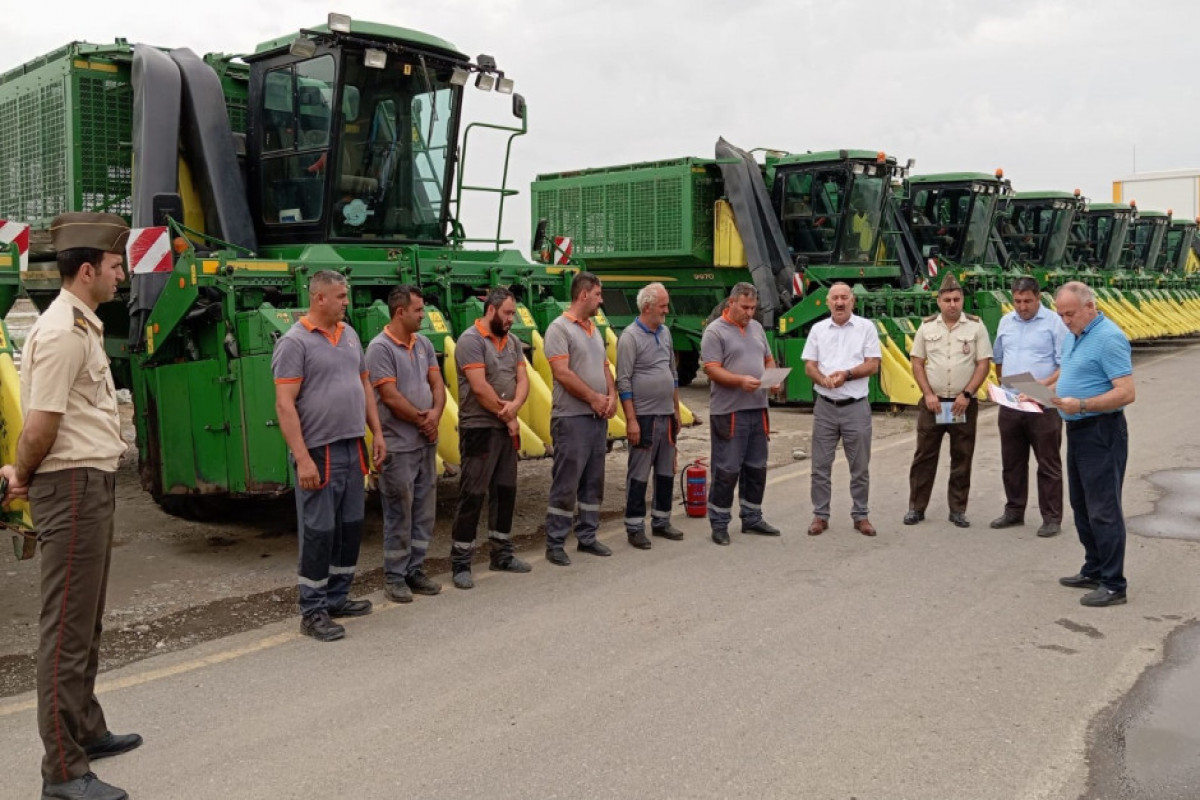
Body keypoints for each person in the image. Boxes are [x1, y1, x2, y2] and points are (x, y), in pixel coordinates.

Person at [0, 213, 139, 800]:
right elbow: (41, 426)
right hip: (71, 485)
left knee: (87, 622)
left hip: (91, 480)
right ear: (88, 271)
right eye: (114, 267)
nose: (122, 275)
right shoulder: (60, 332)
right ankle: (62, 770)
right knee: (65, 631)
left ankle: (86, 728)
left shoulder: (82, 325)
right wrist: (21, 476)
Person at [273, 270, 386, 642]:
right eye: (340, 296)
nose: (346, 302)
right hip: (318, 450)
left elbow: (364, 385)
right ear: (319, 298)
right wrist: (302, 458)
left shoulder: (350, 335)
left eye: (346, 295)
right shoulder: (295, 343)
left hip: (352, 445)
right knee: (319, 530)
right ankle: (313, 610)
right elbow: (285, 406)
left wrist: (377, 433)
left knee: (350, 525)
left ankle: (338, 596)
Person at [1050, 281, 1135, 607]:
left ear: (1090, 307)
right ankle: (1094, 567)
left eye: (1070, 314)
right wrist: (1041, 391)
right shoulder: (1076, 335)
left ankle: (1114, 584)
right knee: (1082, 504)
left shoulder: (1108, 338)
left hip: (1101, 430)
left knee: (1104, 509)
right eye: (1060, 315)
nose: (1065, 320)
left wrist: (1082, 405)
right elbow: (1070, 373)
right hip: (1077, 430)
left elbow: (1126, 392)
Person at [366, 285, 445, 603]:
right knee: (400, 512)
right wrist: (422, 420)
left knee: (424, 511)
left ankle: (415, 570)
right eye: (418, 310)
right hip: (399, 446)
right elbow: (390, 397)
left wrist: (436, 415)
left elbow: (437, 383)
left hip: (425, 442)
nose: (423, 315)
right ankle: (395, 576)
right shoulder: (380, 348)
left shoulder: (423, 343)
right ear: (400, 312)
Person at [449, 287, 532, 588]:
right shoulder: (470, 341)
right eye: (507, 313)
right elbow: (480, 388)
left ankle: (502, 553)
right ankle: (460, 561)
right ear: (491, 310)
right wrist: (509, 416)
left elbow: (523, 379)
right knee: (473, 493)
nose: (512, 319)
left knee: (506, 489)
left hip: (505, 426)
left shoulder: (511, 343)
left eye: (513, 313)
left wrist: (515, 408)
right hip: (479, 428)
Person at [905, 271, 993, 528]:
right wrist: (928, 394)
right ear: (939, 302)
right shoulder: (926, 326)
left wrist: (966, 394)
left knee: (962, 456)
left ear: (962, 300)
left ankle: (957, 510)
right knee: (924, 457)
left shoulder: (976, 326)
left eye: (956, 299)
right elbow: (917, 363)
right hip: (933, 404)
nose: (952, 304)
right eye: (947, 300)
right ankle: (916, 508)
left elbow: (983, 364)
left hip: (961, 403)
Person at [543, 271, 618, 565]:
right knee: (566, 480)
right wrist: (594, 398)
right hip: (571, 417)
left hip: (597, 418)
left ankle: (588, 536)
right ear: (584, 294)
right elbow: (562, 373)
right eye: (598, 295)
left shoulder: (593, 329)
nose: (601, 300)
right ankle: (556, 542)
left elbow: (603, 366)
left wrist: (610, 395)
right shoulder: (559, 330)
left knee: (593, 480)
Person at [700, 282, 782, 545]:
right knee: (727, 468)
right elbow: (712, 369)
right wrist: (739, 381)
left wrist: (773, 377)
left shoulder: (756, 328)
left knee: (756, 467)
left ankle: (752, 517)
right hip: (730, 412)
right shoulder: (715, 332)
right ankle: (720, 522)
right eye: (745, 307)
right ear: (731, 303)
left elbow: (768, 358)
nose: (749, 313)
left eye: (753, 308)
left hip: (758, 409)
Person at [801, 282, 882, 537]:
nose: (839, 302)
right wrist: (821, 379)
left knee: (859, 466)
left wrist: (846, 374)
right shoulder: (818, 329)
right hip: (825, 406)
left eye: (844, 298)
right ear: (827, 302)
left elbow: (873, 365)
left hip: (855, 407)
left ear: (852, 301)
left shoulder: (866, 328)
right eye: (834, 298)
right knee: (820, 467)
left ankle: (861, 515)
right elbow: (809, 366)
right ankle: (820, 515)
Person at [990, 276, 1068, 537]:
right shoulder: (1005, 322)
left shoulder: (1054, 323)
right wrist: (1005, 386)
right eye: (1017, 301)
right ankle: (1014, 510)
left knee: (1048, 462)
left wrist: (1041, 388)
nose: (1022, 307)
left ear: (1039, 298)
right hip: (1012, 403)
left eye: (1027, 301)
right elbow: (999, 359)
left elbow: (1064, 364)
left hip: (1043, 403)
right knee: (1011, 461)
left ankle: (1051, 517)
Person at [616, 282, 684, 550]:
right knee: (640, 474)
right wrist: (631, 420)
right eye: (663, 306)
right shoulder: (629, 338)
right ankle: (634, 526)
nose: (666, 310)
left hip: (666, 415)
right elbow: (623, 382)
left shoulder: (665, 332)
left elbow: (673, 374)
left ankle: (661, 520)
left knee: (666, 470)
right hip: (644, 417)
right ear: (647, 307)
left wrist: (676, 410)